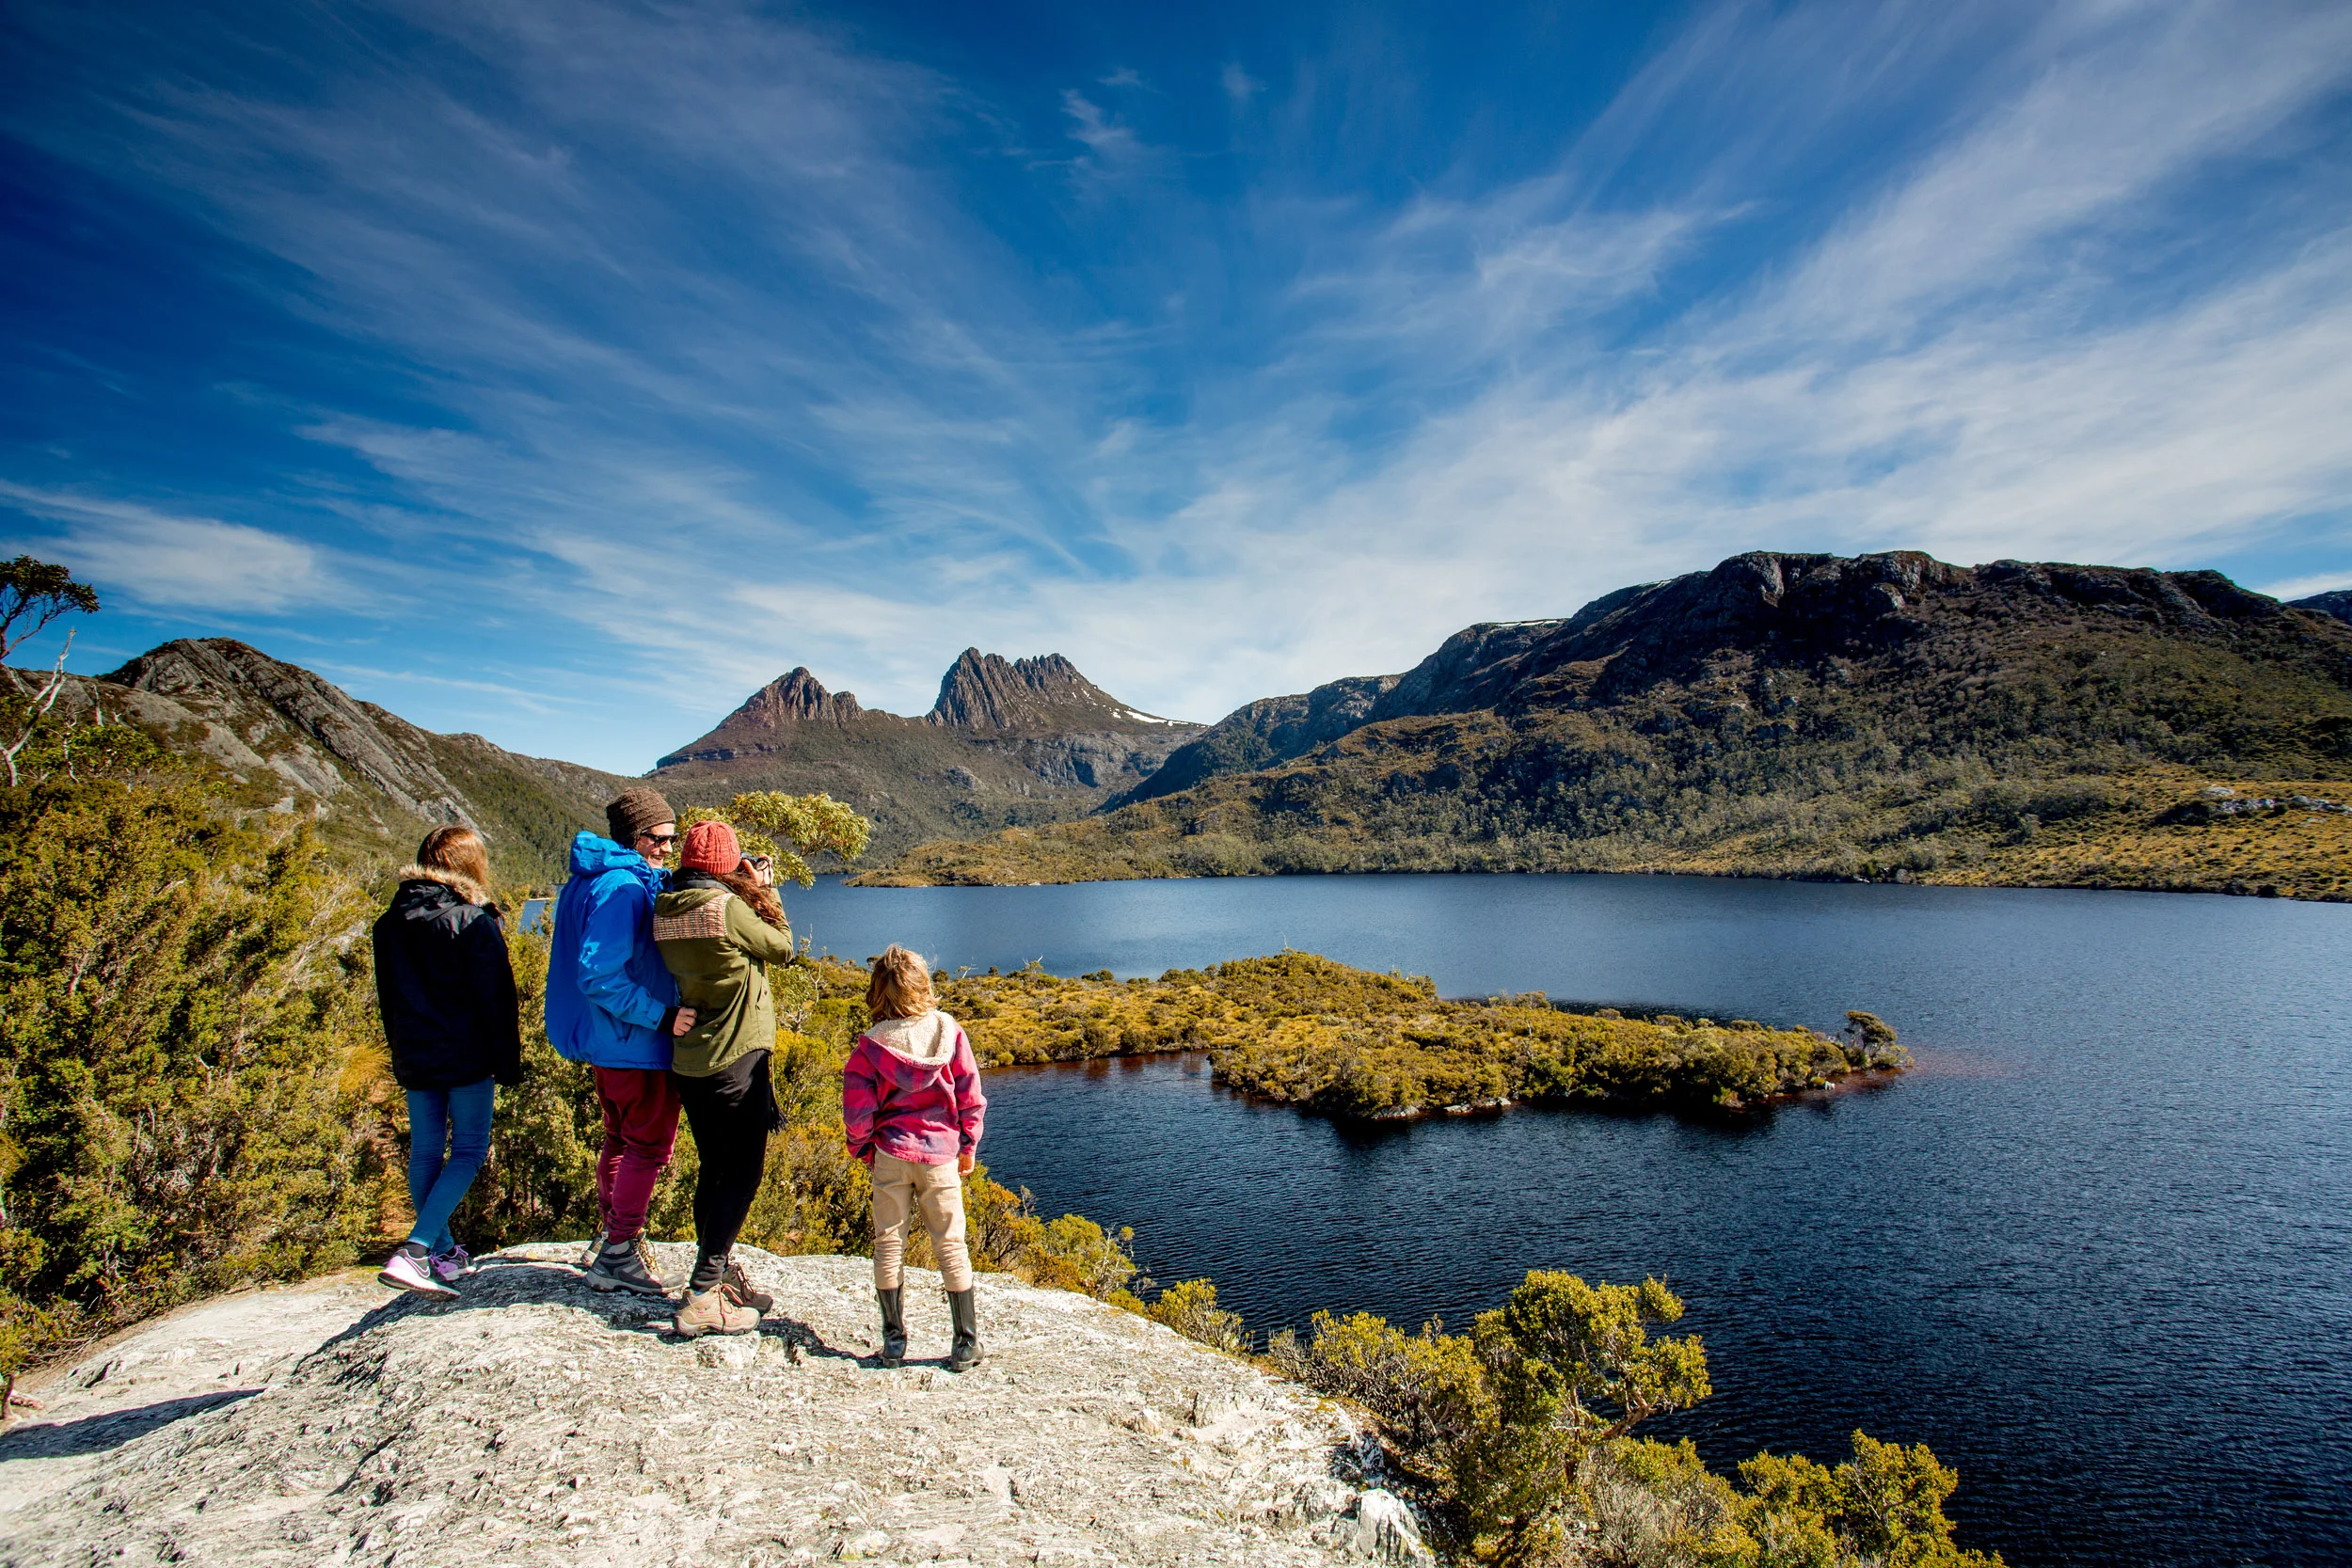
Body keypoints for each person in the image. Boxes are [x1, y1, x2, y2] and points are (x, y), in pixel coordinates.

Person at [653, 820, 803, 1338]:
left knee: (714, 1169)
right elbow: (784, 949)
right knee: (742, 1173)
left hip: (691, 1059)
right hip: (736, 1056)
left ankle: (714, 1281)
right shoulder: (726, 908)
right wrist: (763, 888)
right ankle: (702, 1293)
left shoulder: (666, 907)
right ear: (727, 865)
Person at [547, 787, 697, 1296]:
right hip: (635, 1044)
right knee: (650, 1146)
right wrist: (662, 1016)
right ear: (637, 837)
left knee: (620, 1140)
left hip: (609, 1043)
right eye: (661, 839)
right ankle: (618, 1253)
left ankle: (611, 1237)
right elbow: (598, 975)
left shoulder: (590, 881)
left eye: (672, 840)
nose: (667, 849)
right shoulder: (621, 889)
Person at [371, 825, 522, 1298]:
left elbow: (387, 998)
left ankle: (443, 1251)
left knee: (425, 1152)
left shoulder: (388, 923)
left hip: (415, 1055)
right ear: (470, 865)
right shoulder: (470, 921)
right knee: (470, 1150)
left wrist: (398, 1050)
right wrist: (508, 1062)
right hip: (466, 1056)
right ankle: (416, 1251)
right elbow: (498, 1001)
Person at [842, 945, 988, 1370]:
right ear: (923, 985)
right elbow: (971, 1098)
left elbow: (857, 1112)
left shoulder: (870, 1047)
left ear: (878, 992)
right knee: (950, 1245)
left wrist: (862, 1148)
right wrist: (968, 1145)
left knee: (888, 1243)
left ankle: (893, 1342)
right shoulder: (948, 1032)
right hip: (940, 1157)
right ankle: (965, 1343)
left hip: (890, 1153)